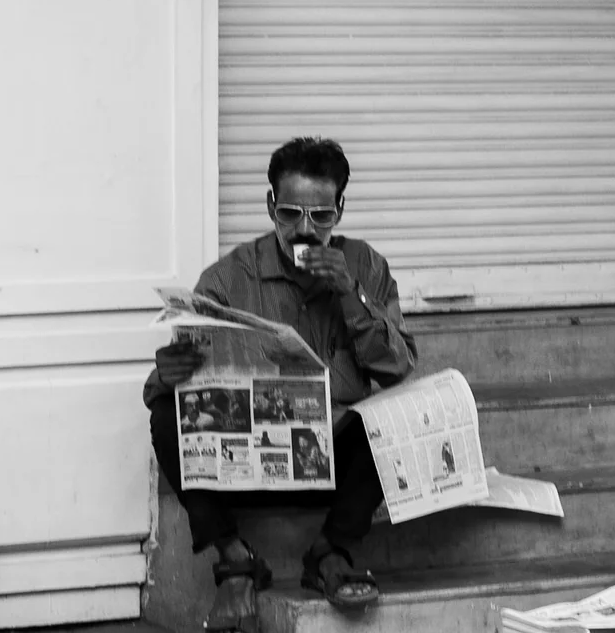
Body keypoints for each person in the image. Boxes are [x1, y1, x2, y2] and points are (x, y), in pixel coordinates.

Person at [144, 137, 417, 631]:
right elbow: (164, 390)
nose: (305, 231)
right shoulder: (229, 278)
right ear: (270, 205)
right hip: (245, 470)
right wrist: (166, 374)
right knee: (165, 414)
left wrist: (350, 295)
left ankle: (329, 552)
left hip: (331, 465)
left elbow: (397, 368)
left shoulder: (367, 267)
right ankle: (233, 558)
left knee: (395, 418)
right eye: (290, 214)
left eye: (321, 217)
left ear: (340, 210)